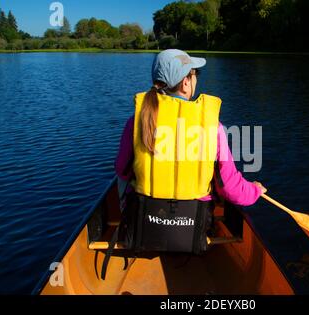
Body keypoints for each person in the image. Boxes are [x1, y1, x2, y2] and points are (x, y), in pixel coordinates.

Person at [113, 49, 266, 255]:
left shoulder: (136, 121)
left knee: (121, 176)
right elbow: (230, 188)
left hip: (145, 220)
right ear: (186, 82)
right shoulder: (214, 127)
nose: (196, 79)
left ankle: (127, 220)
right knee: (215, 177)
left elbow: (122, 170)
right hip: (193, 227)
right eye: (196, 75)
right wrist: (254, 190)